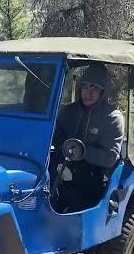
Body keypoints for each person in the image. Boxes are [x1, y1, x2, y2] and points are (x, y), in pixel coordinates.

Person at [52, 64, 124, 212]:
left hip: (94, 175)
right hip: (64, 166)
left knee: (76, 193)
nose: (88, 93)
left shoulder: (112, 117)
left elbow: (109, 157)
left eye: (94, 88)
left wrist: (81, 152)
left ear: (103, 91)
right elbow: (54, 139)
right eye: (85, 87)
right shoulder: (70, 112)